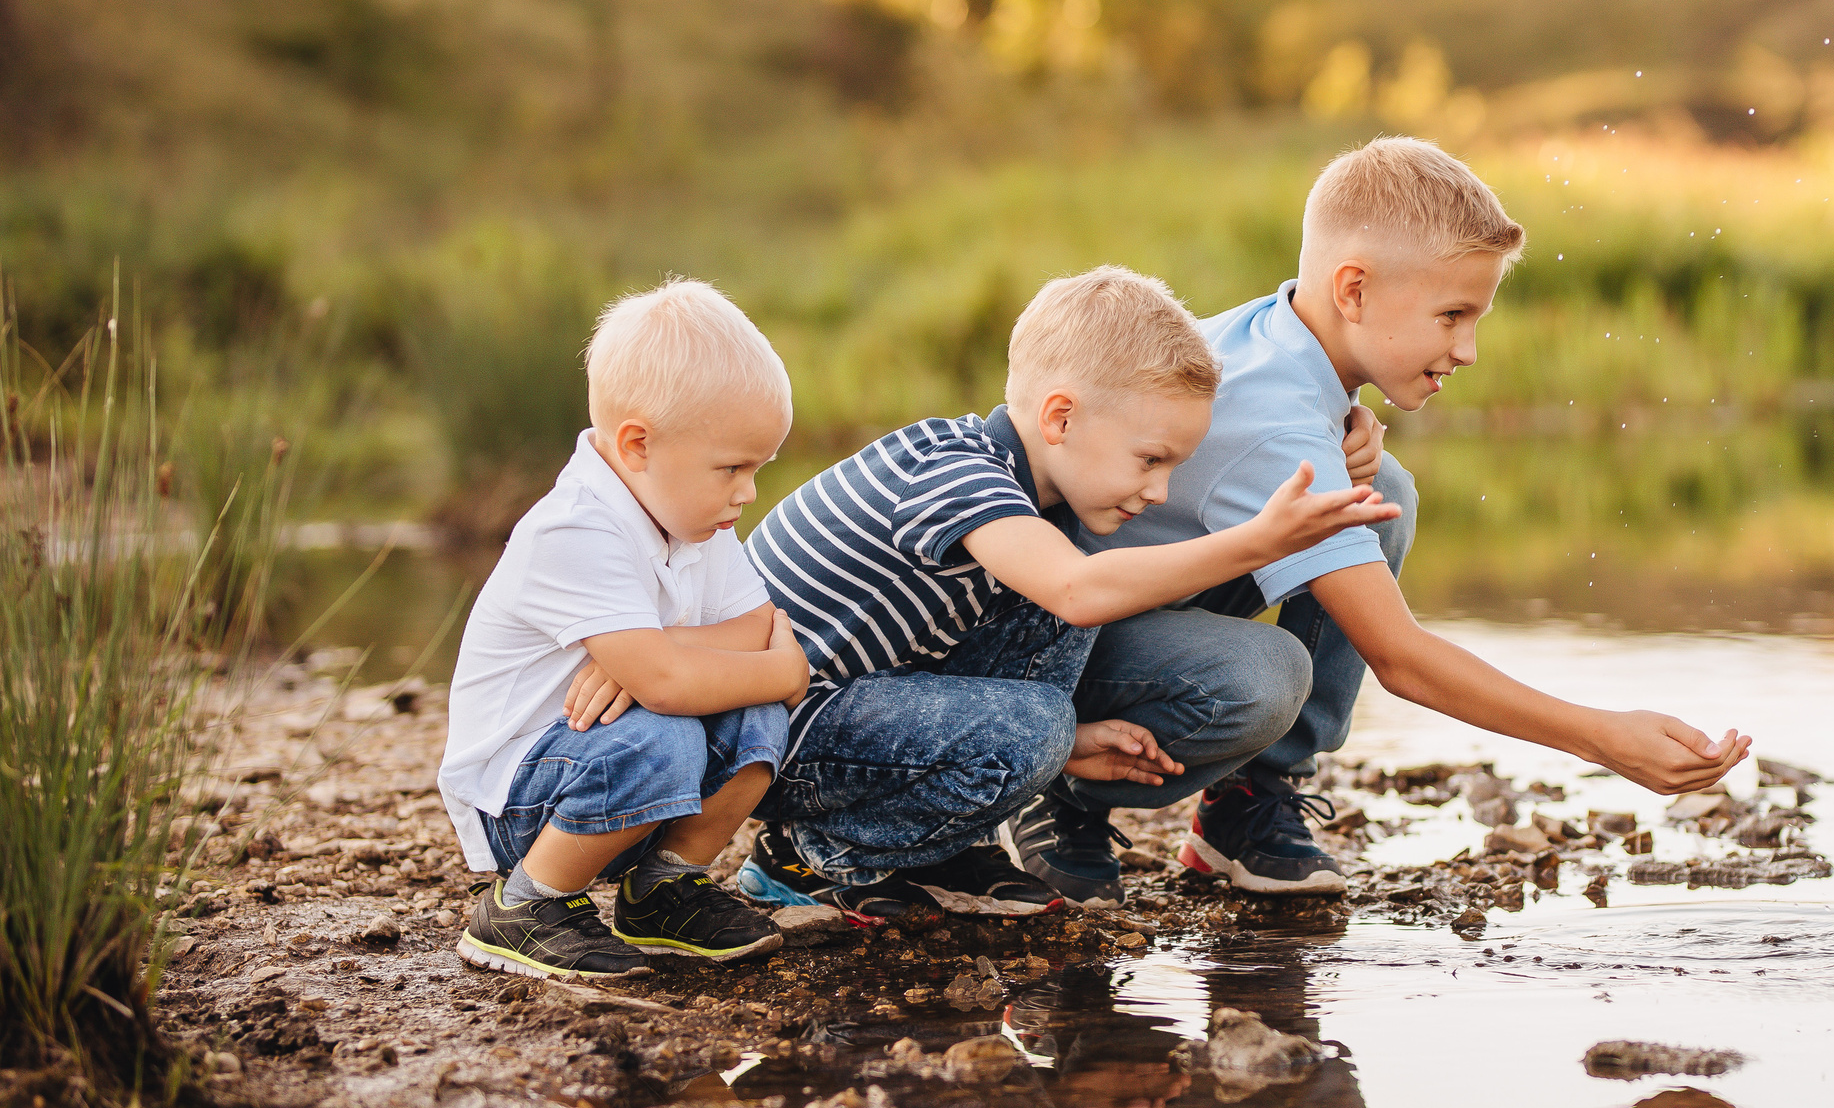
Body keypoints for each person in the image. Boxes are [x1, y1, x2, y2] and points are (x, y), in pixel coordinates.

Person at [1004, 137, 1752, 903]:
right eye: (1452, 315)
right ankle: (1055, 790)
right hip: (1045, 650)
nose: (1467, 349)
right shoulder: (1275, 426)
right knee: (1266, 677)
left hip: (1133, 600)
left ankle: (1250, 803)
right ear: (1353, 291)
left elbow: (1276, 439)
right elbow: (1402, 661)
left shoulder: (1273, 329)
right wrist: (1601, 736)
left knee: (1378, 489)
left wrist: (1347, 422)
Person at [740, 266, 1397, 920]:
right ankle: (816, 851)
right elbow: (1077, 591)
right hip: (774, 734)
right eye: (1150, 460)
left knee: (1058, 670)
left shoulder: (1037, 500)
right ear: (1060, 417)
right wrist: (1261, 540)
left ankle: (949, 846)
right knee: (1043, 704)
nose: (1162, 490)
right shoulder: (953, 470)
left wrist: (1074, 743)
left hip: (862, 715)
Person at [437, 278, 808, 981]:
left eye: (759, 468)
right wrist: (785, 674)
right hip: (525, 795)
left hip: (616, 768)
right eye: (732, 467)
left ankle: (662, 890)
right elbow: (672, 684)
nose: (748, 491)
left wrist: (657, 652)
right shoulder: (576, 524)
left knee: (754, 714)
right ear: (638, 444)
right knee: (671, 729)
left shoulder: (693, 515)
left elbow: (757, 623)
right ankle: (525, 903)